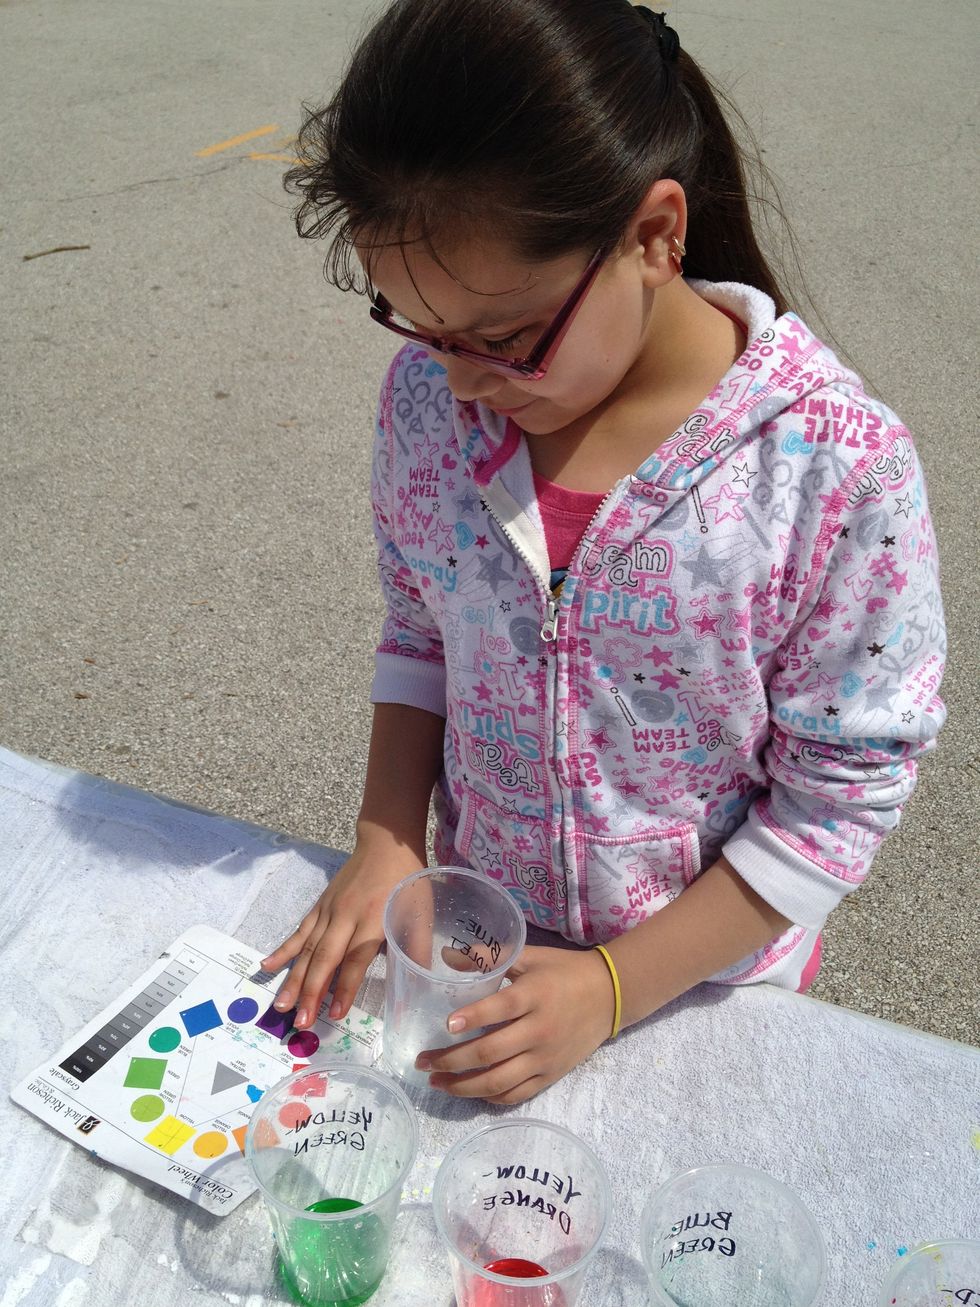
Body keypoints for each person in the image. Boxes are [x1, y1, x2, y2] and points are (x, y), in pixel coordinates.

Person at [261, 0, 946, 1103]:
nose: (459, 380)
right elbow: (418, 626)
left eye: (502, 339)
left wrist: (614, 987)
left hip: (703, 988)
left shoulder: (833, 468)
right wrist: (387, 837)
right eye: (414, 327)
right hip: (479, 945)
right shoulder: (433, 408)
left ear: (654, 234)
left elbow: (838, 796)